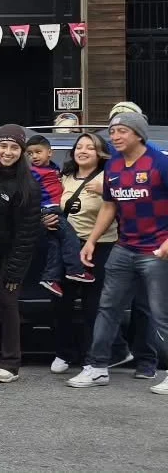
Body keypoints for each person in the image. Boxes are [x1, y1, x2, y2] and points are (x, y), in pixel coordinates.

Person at [68, 111, 168, 395]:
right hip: (124, 248)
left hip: (157, 250)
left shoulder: (159, 162)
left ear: (138, 134)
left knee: (161, 314)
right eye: (112, 132)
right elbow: (110, 206)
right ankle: (97, 367)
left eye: (122, 131)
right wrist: (91, 240)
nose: (115, 137)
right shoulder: (112, 166)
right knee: (108, 309)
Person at [50, 132, 143, 376]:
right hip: (67, 246)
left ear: (100, 153)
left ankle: (98, 357)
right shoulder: (65, 176)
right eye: (79, 147)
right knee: (62, 302)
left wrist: (107, 188)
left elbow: (131, 203)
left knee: (94, 304)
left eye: (89, 148)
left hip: (101, 246)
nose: (82, 151)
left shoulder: (111, 176)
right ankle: (64, 353)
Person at [0, 124, 44, 383]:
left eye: (14, 147)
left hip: (12, 253)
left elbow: (27, 235)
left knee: (7, 302)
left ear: (22, 151)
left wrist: (15, 269)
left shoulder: (28, 186)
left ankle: (10, 362)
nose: (8, 152)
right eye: (3, 146)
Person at [27, 134, 92, 296]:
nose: (34, 156)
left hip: (56, 209)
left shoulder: (55, 169)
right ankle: (75, 269)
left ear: (50, 153)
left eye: (38, 152)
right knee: (70, 236)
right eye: (29, 153)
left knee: (55, 245)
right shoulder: (32, 173)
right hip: (49, 209)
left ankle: (50, 278)